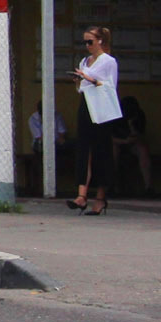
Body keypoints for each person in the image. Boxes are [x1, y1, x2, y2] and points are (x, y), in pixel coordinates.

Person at [68, 26, 122, 217]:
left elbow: (109, 87)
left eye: (90, 41)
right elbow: (82, 88)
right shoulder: (85, 61)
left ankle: (100, 197)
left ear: (100, 41)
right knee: (84, 148)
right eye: (85, 42)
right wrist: (79, 80)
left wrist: (89, 78)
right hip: (86, 104)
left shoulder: (109, 61)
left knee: (101, 150)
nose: (87, 45)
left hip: (100, 108)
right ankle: (81, 195)